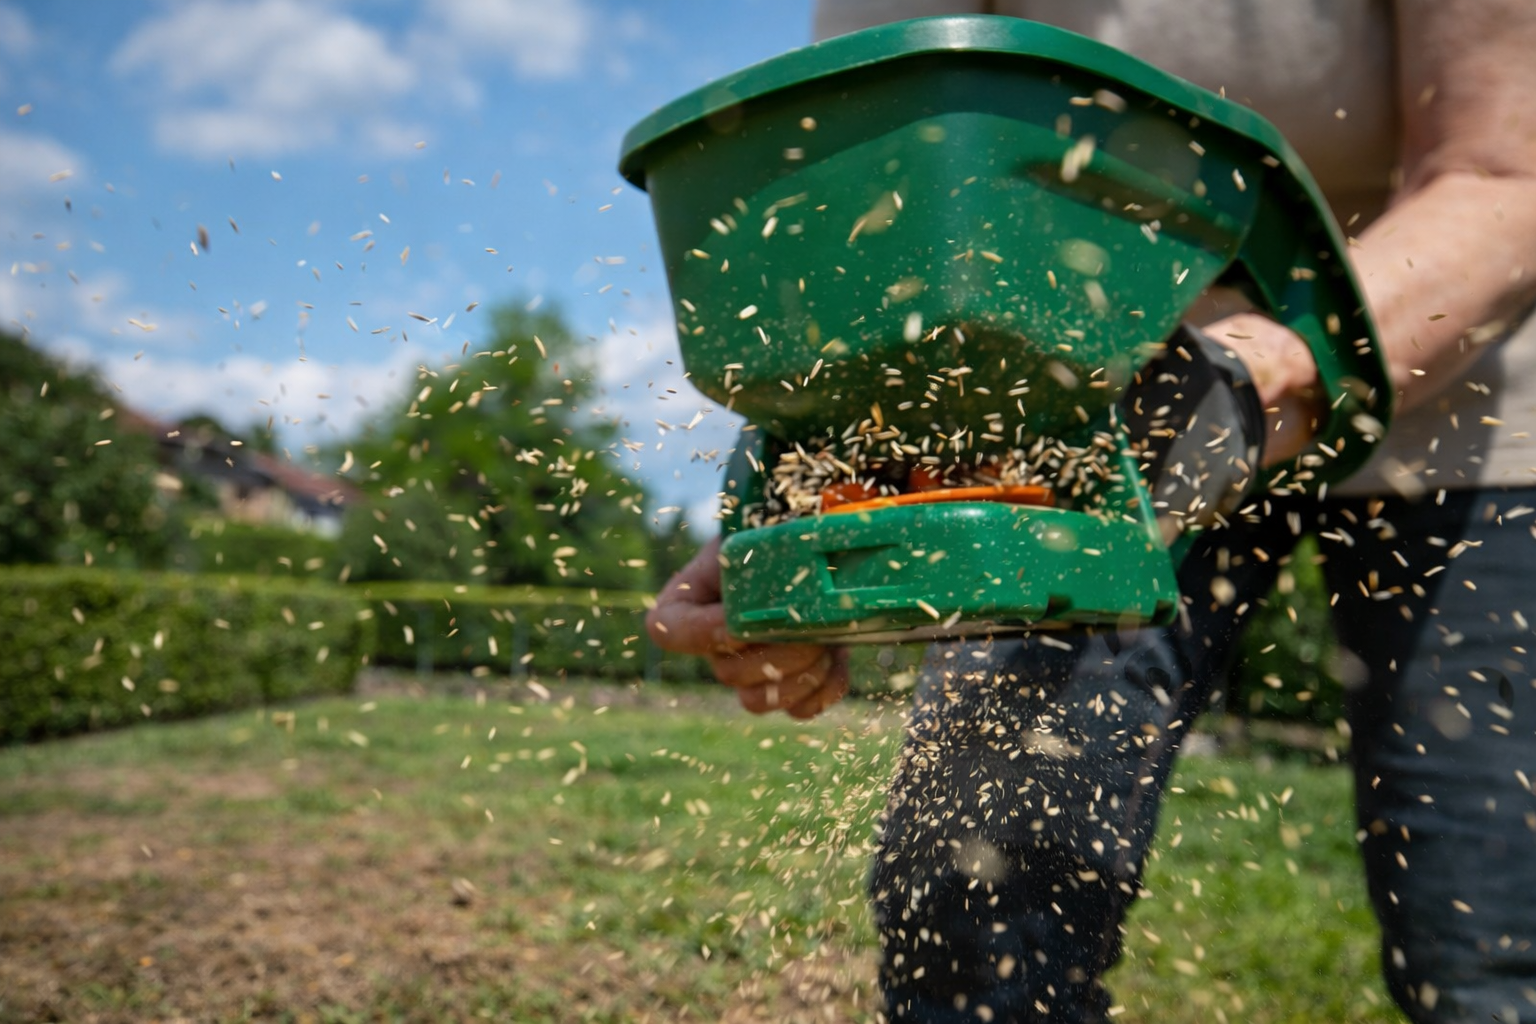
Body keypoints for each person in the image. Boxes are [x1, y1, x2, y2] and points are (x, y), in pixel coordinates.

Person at [646, 2, 1536, 1020]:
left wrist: (1256, 376)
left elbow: (1506, 175)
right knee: (973, 898)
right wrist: (812, 495)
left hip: (1457, 375)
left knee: (1483, 936)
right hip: (1094, 397)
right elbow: (870, 209)